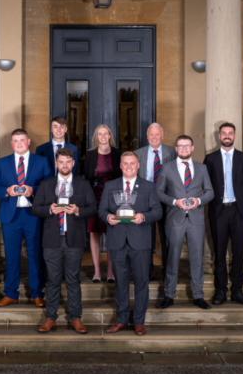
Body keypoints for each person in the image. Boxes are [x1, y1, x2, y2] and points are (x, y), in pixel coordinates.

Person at [32, 148, 97, 334]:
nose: (65, 165)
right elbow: (35, 208)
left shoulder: (83, 184)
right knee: (52, 279)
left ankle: (76, 317)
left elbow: (93, 208)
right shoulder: (46, 184)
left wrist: (77, 210)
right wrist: (49, 209)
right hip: (51, 239)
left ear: (73, 163)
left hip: (74, 239)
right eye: (61, 162)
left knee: (73, 279)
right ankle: (51, 318)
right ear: (56, 163)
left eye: (68, 161)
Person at [99, 152, 162, 336]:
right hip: (117, 241)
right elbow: (101, 210)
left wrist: (144, 216)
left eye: (132, 163)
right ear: (120, 165)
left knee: (141, 282)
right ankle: (121, 319)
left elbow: (157, 211)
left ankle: (139, 322)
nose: (128, 166)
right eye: (125, 163)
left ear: (138, 165)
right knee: (120, 282)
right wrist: (108, 217)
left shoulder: (148, 186)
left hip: (140, 241)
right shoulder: (110, 186)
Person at [0, 129, 53, 307]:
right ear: (11, 144)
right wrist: (6, 191)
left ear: (28, 141)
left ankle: (37, 293)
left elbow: (50, 186)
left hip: (33, 215)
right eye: (15, 140)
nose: (19, 143)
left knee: (35, 255)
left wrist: (33, 189)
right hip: (10, 217)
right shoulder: (2, 163)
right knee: (11, 256)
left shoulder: (41, 161)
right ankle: (11, 293)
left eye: (22, 140)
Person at [156, 135, 214, 310]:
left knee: (196, 259)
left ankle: (198, 296)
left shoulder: (202, 168)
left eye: (187, 145)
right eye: (180, 146)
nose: (184, 149)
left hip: (196, 220)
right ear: (176, 149)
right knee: (172, 258)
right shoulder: (166, 168)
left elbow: (210, 192)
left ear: (192, 148)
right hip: (174, 219)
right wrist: (175, 202)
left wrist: (199, 201)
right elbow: (158, 192)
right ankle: (168, 295)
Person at [204, 122, 243, 305]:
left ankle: (238, 290)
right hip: (218, 211)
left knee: (238, 253)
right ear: (219, 136)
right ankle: (220, 290)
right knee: (219, 253)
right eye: (223, 133)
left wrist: (240, 200)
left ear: (235, 136)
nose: (227, 136)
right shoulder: (210, 159)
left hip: (239, 211)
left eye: (230, 133)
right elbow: (206, 185)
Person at [134, 123, 177, 279]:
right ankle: (147, 270)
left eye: (157, 134)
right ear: (147, 136)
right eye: (151, 134)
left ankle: (167, 271)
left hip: (166, 200)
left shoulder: (172, 152)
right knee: (146, 237)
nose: (154, 137)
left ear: (162, 136)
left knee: (167, 237)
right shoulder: (137, 154)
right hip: (145, 202)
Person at [84, 124, 122, 283]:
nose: (103, 136)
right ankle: (97, 272)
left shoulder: (117, 154)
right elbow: (86, 177)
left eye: (106, 133)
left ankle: (110, 272)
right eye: (100, 134)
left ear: (110, 136)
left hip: (112, 199)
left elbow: (121, 177)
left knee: (111, 233)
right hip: (94, 198)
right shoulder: (90, 154)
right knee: (94, 233)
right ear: (96, 137)